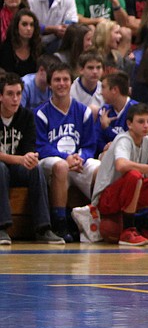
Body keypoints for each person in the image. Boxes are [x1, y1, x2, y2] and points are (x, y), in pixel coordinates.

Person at [84, 103, 148, 246]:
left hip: (129, 193)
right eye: (141, 121)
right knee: (134, 175)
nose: (146, 125)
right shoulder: (124, 139)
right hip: (107, 198)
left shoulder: (146, 140)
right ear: (129, 124)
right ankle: (127, 231)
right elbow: (121, 165)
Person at [35, 62, 100, 242]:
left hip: (78, 162)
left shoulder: (84, 111)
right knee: (61, 166)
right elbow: (41, 146)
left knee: (99, 168)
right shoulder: (40, 113)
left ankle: (100, 217)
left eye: (65, 79)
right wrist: (66, 157)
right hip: (52, 163)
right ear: (49, 84)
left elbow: (90, 144)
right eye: (57, 80)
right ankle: (60, 223)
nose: (61, 83)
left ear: (71, 83)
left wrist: (82, 157)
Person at [0, 73, 65, 245]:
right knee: (0, 168)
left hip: (15, 168)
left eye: (19, 94)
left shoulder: (26, 116)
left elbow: (29, 149)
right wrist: (20, 159)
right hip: (2, 168)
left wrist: (30, 157)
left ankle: (43, 228)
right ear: (0, 96)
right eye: (10, 94)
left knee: (35, 169)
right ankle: (1, 228)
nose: (15, 99)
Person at [96, 71, 137, 155]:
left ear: (114, 90)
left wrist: (107, 128)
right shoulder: (104, 110)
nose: (100, 92)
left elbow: (131, 143)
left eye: (103, 87)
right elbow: (96, 138)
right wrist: (104, 147)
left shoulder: (137, 110)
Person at [0, 9, 41, 77]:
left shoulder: (39, 48)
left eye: (31, 25)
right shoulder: (5, 49)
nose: (29, 28)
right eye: (24, 24)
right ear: (16, 27)